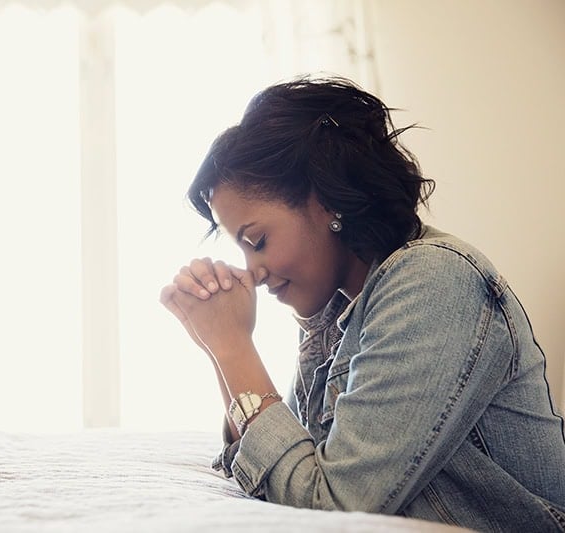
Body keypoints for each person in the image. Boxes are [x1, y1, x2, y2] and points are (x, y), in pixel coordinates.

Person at [159, 76, 565, 531]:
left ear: (327, 202)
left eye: (257, 240)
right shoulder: (338, 308)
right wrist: (218, 348)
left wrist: (233, 347)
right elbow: (290, 467)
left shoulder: (432, 281)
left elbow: (332, 508)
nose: (251, 270)